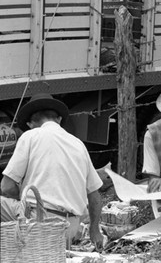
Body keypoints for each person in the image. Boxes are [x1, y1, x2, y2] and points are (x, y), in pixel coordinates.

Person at [0, 93, 104, 248]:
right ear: (59, 119)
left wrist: (22, 202)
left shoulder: (31, 136)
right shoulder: (78, 144)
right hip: (70, 228)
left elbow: (6, 186)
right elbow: (94, 195)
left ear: (30, 123)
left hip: (40, 221)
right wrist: (94, 230)